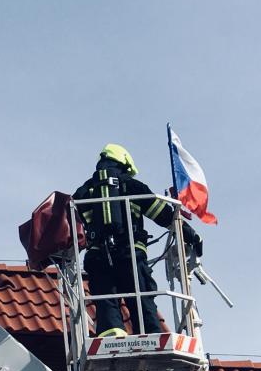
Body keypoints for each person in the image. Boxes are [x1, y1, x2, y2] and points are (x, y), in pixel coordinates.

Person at [73, 143, 202, 337]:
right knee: (142, 300)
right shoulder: (132, 186)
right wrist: (190, 234)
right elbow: (163, 214)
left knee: (106, 300)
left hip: (98, 258)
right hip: (131, 256)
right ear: (125, 162)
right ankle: (151, 333)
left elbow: (71, 227)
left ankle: (112, 331)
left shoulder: (83, 191)